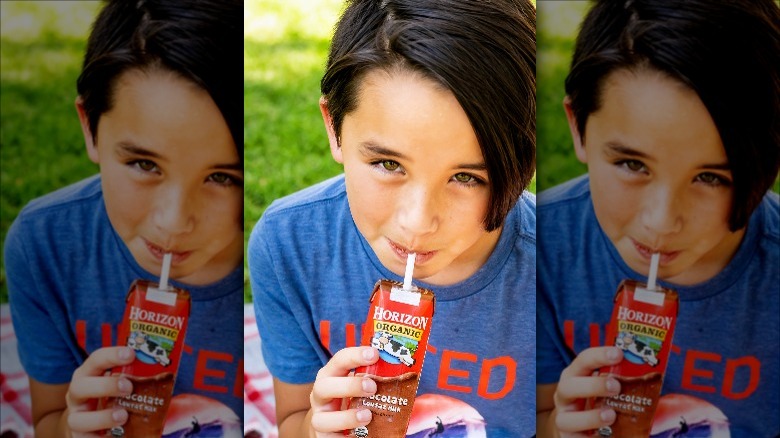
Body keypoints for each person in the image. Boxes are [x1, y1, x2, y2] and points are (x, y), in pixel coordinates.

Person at [248, 0, 536, 436]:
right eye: (388, 164)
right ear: (335, 128)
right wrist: (315, 427)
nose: (418, 223)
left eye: (466, 176)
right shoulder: (289, 245)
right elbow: (291, 421)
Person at [536, 0, 779, 436]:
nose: (662, 222)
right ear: (579, 128)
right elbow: (535, 414)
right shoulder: (542, 252)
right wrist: (559, 427)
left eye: (710, 176)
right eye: (632, 164)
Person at [4, 0, 243, 435]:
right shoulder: (46, 247)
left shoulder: (278, 260)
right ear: (91, 128)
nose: (173, 223)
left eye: (222, 177)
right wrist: (72, 427)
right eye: (145, 165)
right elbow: (49, 419)